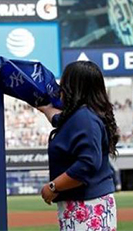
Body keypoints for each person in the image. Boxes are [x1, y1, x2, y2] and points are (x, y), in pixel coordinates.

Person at [37, 60, 119, 230]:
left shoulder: (84, 118)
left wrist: (53, 186)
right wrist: (44, 108)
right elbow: (57, 119)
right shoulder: (82, 115)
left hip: (87, 206)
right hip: (86, 205)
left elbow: (87, 164)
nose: (61, 88)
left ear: (73, 87)